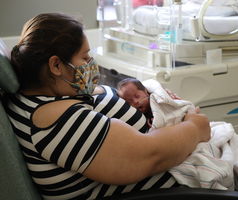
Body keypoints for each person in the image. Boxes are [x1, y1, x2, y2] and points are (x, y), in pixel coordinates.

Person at [3, 13, 211, 200]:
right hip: (177, 189)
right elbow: (149, 156)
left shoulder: (49, 94)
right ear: (56, 65)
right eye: (84, 57)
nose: (91, 62)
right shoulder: (56, 121)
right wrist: (194, 128)